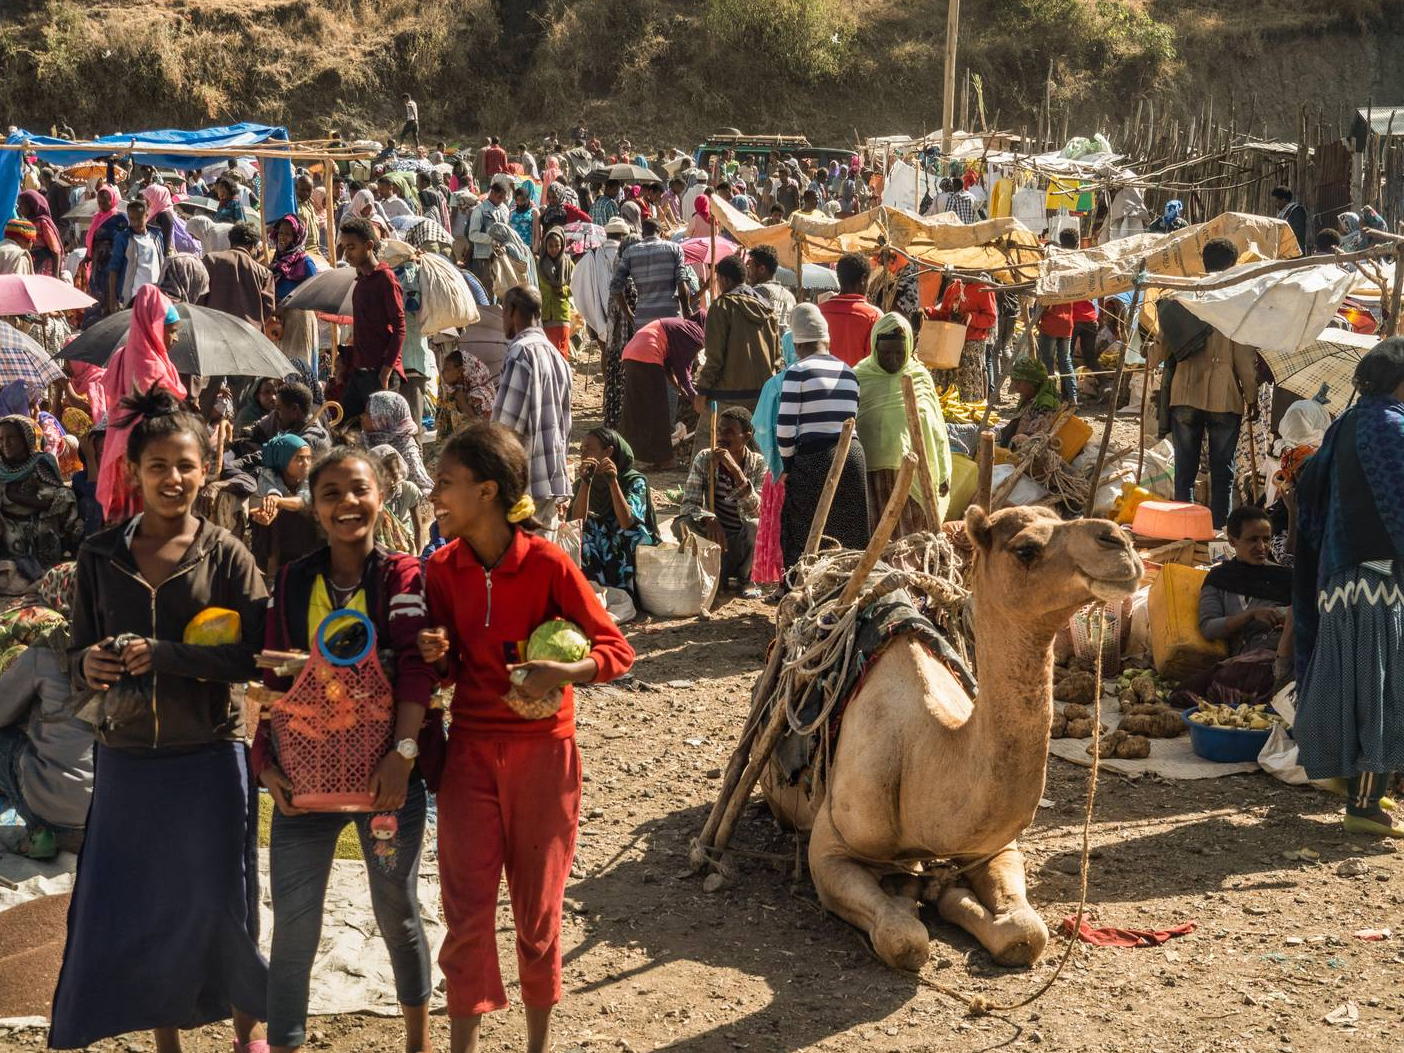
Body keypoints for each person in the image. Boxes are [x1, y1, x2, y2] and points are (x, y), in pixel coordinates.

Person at [50, 386, 269, 1052]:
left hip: (207, 753)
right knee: (144, 904)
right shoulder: (98, 556)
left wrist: (166, 655)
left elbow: (255, 656)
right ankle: (165, 1037)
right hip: (127, 760)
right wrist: (88, 665)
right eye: (158, 466)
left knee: (223, 901)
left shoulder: (228, 555)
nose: (172, 478)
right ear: (132, 473)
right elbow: (77, 652)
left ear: (207, 470)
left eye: (185, 465)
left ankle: (247, 1031)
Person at [418, 422, 634, 1053]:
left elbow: (616, 650)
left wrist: (561, 672)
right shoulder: (441, 569)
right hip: (470, 756)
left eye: (447, 483)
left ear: (487, 492)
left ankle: (538, 1044)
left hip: (545, 757)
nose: (434, 494)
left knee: (539, 916)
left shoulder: (547, 563)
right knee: (466, 913)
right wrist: (437, 656)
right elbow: (447, 669)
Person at [253, 446, 436, 1053]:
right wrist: (265, 762)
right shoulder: (292, 580)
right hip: (303, 787)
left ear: (382, 496)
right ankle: (286, 1044)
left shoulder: (403, 576)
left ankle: (418, 1042)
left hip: (386, 786)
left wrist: (402, 756)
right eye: (330, 493)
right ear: (313, 505)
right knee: (295, 929)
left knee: (396, 911)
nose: (346, 504)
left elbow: (415, 669)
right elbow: (276, 683)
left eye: (359, 490)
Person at [1290, 338, 1404, 836]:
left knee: (1350, 685)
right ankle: (1363, 805)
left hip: (1339, 574)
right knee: (1383, 690)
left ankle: (1349, 781)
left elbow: (1308, 486)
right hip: (1379, 577)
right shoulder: (1393, 428)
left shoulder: (1347, 424)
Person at [1151, 237, 1257, 528]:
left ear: (1203, 261)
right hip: (1225, 396)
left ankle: (1185, 529)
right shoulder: (1237, 299)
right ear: (1233, 265)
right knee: (1222, 471)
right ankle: (1221, 531)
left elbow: (1157, 354)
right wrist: (1252, 397)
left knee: (1185, 469)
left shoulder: (1181, 299)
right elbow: (1244, 358)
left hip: (1184, 393)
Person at [0, 562, 92, 860]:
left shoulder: (48, 650)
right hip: (116, 809)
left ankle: (42, 827)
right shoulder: (136, 648)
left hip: (58, 808)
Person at [774, 302, 868, 570]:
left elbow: (785, 427)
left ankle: (799, 588)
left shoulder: (798, 372)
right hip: (852, 456)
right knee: (849, 533)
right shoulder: (849, 372)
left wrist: (789, 465)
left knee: (802, 532)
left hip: (816, 458)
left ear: (798, 345)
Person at [854, 313, 951, 536]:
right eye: (886, 353)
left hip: (913, 476)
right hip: (872, 476)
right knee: (877, 534)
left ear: (908, 348)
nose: (893, 360)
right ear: (874, 348)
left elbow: (937, 428)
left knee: (912, 537)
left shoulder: (919, 376)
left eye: (900, 353)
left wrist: (943, 471)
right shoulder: (860, 377)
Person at [97, 286, 187, 522]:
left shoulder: (122, 356)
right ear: (156, 328)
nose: (176, 339)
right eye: (173, 331)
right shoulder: (153, 366)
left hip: (122, 451)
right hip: (149, 453)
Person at [492, 285, 573, 526]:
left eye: (504, 312)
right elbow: (565, 425)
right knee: (541, 560)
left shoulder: (520, 352)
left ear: (512, 311)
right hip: (550, 478)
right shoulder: (558, 357)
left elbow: (505, 428)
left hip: (522, 485)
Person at [694, 255, 781, 457]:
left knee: (707, 450)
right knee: (755, 453)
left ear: (724, 280)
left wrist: (702, 392)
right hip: (760, 395)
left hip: (726, 395)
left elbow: (714, 358)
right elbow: (777, 357)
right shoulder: (767, 310)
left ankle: (702, 488)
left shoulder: (722, 307)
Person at [675, 406, 765, 595]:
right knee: (682, 524)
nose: (722, 437)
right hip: (714, 539)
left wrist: (737, 473)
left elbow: (759, 512)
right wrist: (709, 518)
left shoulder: (759, 464)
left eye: (730, 433)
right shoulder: (705, 458)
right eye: (720, 431)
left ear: (746, 437)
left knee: (756, 525)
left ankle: (747, 579)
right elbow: (688, 504)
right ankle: (714, 572)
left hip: (742, 543)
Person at [569, 427, 659, 597]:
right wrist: (585, 483)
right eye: (581, 450)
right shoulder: (583, 483)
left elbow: (627, 521)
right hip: (600, 541)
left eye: (589, 448)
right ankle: (590, 589)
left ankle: (626, 590)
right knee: (582, 536)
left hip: (623, 539)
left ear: (609, 452)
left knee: (624, 534)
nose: (583, 454)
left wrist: (613, 482)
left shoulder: (634, 481)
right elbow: (576, 523)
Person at [339, 217, 407, 420]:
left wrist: (385, 372)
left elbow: (400, 328)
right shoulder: (361, 281)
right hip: (360, 372)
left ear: (368, 246)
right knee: (342, 426)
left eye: (351, 247)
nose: (346, 254)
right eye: (344, 247)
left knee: (383, 434)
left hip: (380, 372)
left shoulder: (385, 279)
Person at [1199, 504, 1291, 654]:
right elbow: (1208, 627)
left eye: (1266, 539)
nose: (1261, 547)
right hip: (1239, 664)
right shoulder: (1219, 577)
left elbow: (1305, 616)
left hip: (1279, 658)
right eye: (1253, 540)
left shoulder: (1285, 577)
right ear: (1232, 541)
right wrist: (1251, 615)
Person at [619, 311, 706, 469]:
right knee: (658, 410)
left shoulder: (680, 326)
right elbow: (683, 373)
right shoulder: (696, 333)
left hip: (631, 352)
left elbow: (669, 369)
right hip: (647, 354)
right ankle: (665, 460)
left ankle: (622, 453)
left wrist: (681, 390)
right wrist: (696, 400)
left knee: (634, 407)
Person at [0, 413, 83, 575]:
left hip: (37, 528)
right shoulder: (1, 467)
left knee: (65, 496)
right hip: (7, 529)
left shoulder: (41, 462)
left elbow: (56, 500)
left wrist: (15, 497)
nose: (5, 444)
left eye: (11, 438)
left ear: (26, 438)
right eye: (1, 439)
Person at [249, 432, 318, 578]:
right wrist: (271, 507)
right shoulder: (268, 474)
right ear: (283, 460)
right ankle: (272, 571)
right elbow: (273, 493)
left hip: (307, 541)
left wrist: (278, 502)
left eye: (308, 458)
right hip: (275, 543)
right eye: (299, 459)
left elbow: (304, 501)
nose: (306, 464)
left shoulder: (310, 476)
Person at [611, 217, 688, 328]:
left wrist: (631, 317)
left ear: (642, 235)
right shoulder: (674, 248)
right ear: (661, 234)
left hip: (644, 321)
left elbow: (615, 288)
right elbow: (682, 284)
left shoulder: (629, 253)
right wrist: (686, 310)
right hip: (670, 318)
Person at [930, 276, 997, 402]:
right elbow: (944, 312)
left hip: (971, 343)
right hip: (950, 340)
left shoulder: (984, 289)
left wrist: (970, 317)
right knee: (945, 377)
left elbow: (990, 318)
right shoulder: (953, 288)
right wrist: (929, 312)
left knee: (966, 379)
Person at [203, 221, 277, 330]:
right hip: (248, 333)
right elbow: (269, 307)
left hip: (213, 328)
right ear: (252, 246)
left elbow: (199, 294)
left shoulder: (210, 260)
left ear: (231, 241)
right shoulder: (264, 273)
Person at [818, 252, 883, 368]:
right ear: (863, 279)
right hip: (857, 384)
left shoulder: (818, 312)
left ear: (839, 277)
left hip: (820, 383)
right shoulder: (874, 316)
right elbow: (874, 363)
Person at [363, 390, 434, 494]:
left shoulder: (406, 449)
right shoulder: (363, 439)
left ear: (384, 418)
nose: (362, 416)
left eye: (368, 413)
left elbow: (423, 487)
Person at [107, 196, 165, 313]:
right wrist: (113, 296)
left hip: (155, 293)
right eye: (132, 219)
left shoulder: (157, 236)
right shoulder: (123, 238)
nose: (135, 223)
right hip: (132, 297)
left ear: (146, 216)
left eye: (139, 218)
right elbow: (114, 268)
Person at [250, 381, 331, 454]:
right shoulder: (297, 431)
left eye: (278, 409)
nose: (276, 415)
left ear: (294, 408)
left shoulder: (304, 444)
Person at [435, 349, 497, 437]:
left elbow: (480, 425)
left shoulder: (479, 394)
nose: (443, 372)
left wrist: (461, 400)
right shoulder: (451, 386)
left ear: (460, 371)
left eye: (447, 369)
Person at [538, 228, 575, 357]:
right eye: (550, 246)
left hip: (561, 314)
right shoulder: (539, 265)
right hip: (544, 314)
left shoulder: (569, 265)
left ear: (562, 245)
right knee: (546, 353)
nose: (554, 249)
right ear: (545, 246)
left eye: (557, 245)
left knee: (561, 351)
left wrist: (563, 290)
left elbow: (575, 287)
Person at [467, 181, 510, 289]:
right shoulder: (480, 211)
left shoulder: (504, 209)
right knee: (485, 290)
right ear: (492, 193)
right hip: (483, 257)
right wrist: (491, 239)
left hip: (500, 256)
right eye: (499, 197)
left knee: (500, 289)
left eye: (503, 198)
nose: (501, 200)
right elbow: (472, 235)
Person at [745, 245, 795, 331]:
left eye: (750, 268)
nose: (748, 273)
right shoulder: (790, 297)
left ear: (762, 269)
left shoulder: (757, 292)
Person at [16, 189, 63, 277]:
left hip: (45, 264)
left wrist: (56, 273)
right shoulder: (28, 222)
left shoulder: (42, 223)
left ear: (31, 205)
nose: (19, 208)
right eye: (18, 205)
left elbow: (55, 249)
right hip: (34, 260)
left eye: (22, 205)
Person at [1271, 186, 1309, 252]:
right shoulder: (1283, 213)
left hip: (1295, 253)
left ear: (1283, 200)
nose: (1275, 204)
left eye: (1276, 201)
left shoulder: (1296, 211)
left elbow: (1296, 234)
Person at [509, 184, 540, 252]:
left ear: (527, 198)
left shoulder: (534, 212)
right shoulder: (512, 213)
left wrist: (535, 251)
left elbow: (537, 235)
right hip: (514, 250)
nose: (519, 203)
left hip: (528, 249)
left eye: (522, 200)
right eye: (517, 200)